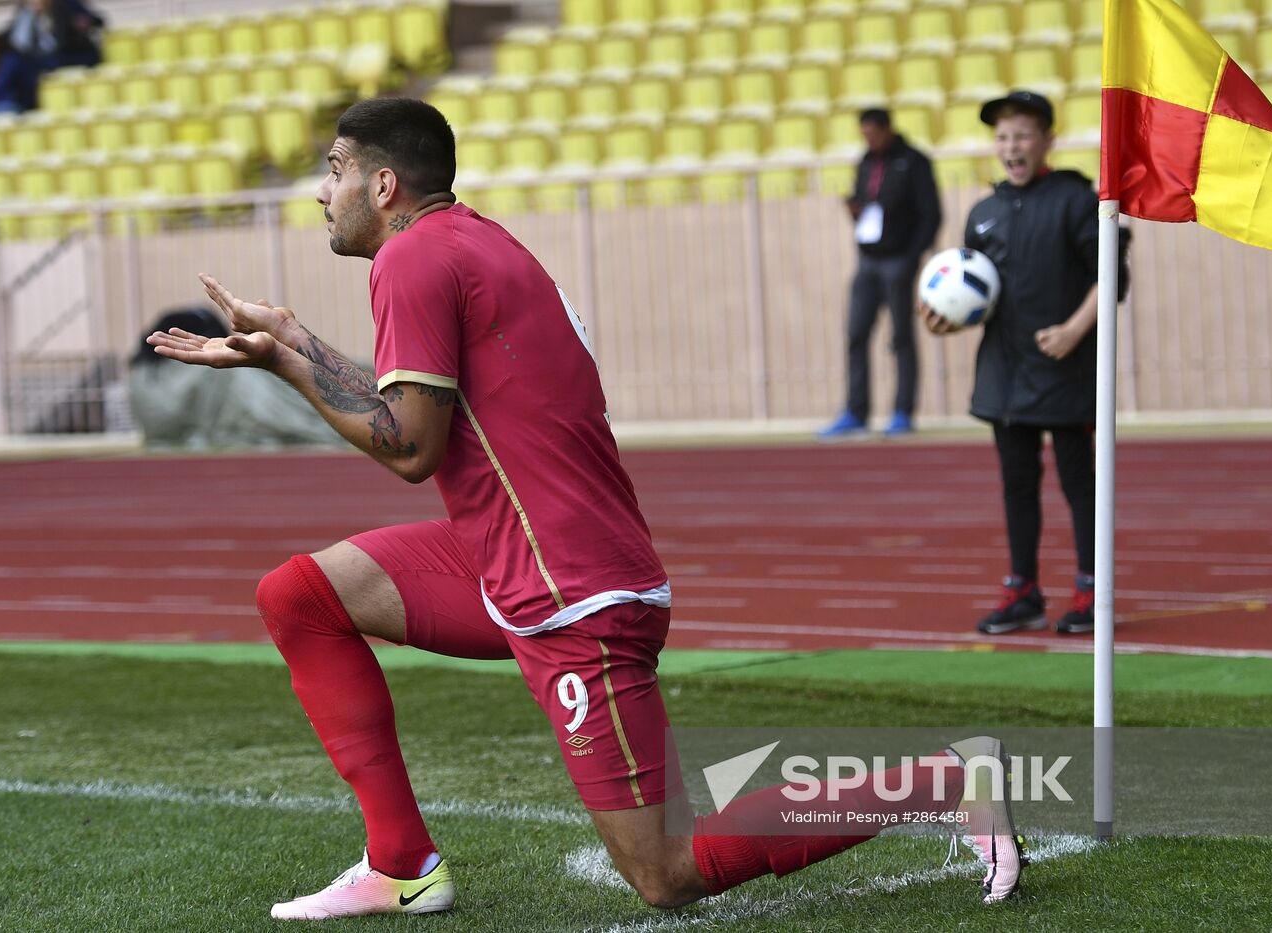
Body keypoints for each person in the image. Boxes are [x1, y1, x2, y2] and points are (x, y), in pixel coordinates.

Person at [148, 97, 1025, 921]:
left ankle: (946, 778)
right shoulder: (470, 240)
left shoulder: (412, 258)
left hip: (572, 595)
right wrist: (296, 340)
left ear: (384, 186)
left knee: (665, 872)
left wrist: (290, 369)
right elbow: (421, 411)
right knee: (300, 594)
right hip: (524, 561)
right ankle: (402, 867)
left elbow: (411, 449)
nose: (320, 190)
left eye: (334, 168)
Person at [920, 90, 1112, 637]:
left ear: (1047, 139)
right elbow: (974, 297)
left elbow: (1112, 277)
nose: (1012, 146)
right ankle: (1023, 591)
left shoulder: (1077, 200)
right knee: (1016, 485)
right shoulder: (984, 214)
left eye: (1023, 134)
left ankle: (1092, 591)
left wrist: (1075, 330)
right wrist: (945, 319)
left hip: (1065, 368)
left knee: (1080, 483)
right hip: (1005, 376)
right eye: (1003, 137)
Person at [821, 108, 941, 439]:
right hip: (868, 260)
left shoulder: (914, 162)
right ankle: (855, 412)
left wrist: (911, 255)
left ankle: (903, 411)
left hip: (898, 260)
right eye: (864, 135)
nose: (869, 140)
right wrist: (855, 211)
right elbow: (865, 204)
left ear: (887, 129)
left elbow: (931, 214)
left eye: (873, 133)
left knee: (901, 336)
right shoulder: (865, 161)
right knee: (856, 334)